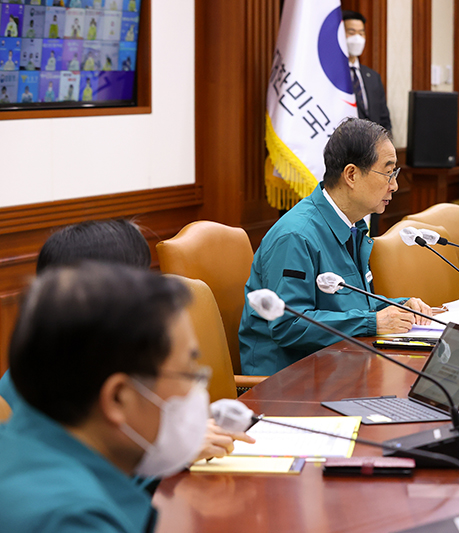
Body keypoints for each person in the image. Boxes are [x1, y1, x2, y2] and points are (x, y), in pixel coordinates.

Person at [1, 219, 254, 462]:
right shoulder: (44, 383)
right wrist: (166, 454)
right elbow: (78, 474)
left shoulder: (105, 356)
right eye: (140, 282)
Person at [0, 264, 206, 532]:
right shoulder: (73, 521)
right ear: (118, 398)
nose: (196, 390)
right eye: (188, 371)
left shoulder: (19, 449)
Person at [239, 118, 432, 375]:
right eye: (388, 172)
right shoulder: (296, 236)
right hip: (288, 383)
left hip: (335, 366)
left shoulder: (352, 226)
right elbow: (288, 324)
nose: (394, 185)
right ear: (351, 175)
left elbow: (350, 305)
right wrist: (373, 322)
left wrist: (397, 306)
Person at [341, 10, 391, 133]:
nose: (357, 38)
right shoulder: (332, 75)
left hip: (371, 146)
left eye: (361, 33)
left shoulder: (373, 77)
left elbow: (383, 117)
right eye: (351, 32)